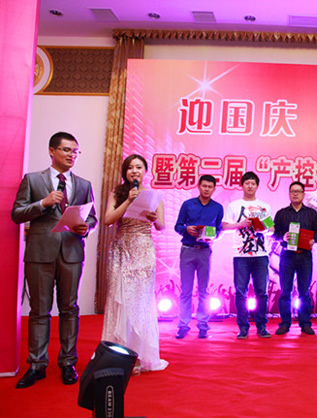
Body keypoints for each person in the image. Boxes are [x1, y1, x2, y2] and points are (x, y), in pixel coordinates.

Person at [11, 132, 97, 388]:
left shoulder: (83, 184)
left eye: (76, 151)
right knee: (39, 311)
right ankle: (36, 365)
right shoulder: (33, 179)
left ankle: (68, 363)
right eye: (67, 150)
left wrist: (86, 227)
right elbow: (17, 214)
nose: (72, 155)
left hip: (72, 252)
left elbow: (92, 217)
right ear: (52, 150)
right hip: (39, 254)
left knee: (70, 309)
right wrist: (43, 203)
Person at [102, 154, 167, 373]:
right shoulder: (118, 193)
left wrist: (154, 219)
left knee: (139, 303)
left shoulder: (154, 196)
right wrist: (129, 201)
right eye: (130, 168)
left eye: (139, 167)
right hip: (122, 251)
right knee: (120, 300)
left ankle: (138, 354)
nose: (134, 171)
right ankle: (119, 353)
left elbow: (162, 226)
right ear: (125, 172)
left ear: (145, 171)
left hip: (144, 253)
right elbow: (108, 220)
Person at [222, 171, 273, 339]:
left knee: (262, 292)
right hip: (241, 255)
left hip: (261, 254)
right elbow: (224, 226)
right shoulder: (234, 206)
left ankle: (262, 326)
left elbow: (272, 229)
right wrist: (241, 224)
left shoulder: (264, 207)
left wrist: (263, 228)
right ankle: (243, 327)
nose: (250, 186)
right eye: (247, 183)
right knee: (240, 292)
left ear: (257, 186)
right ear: (242, 185)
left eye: (253, 183)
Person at [174, 175, 224, 339]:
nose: (207, 189)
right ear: (199, 186)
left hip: (205, 250)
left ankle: (203, 325)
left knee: (204, 290)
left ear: (214, 189)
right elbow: (177, 226)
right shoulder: (188, 204)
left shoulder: (217, 208)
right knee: (186, 290)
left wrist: (213, 236)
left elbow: (219, 230)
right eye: (204, 186)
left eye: (210, 187)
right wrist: (186, 229)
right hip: (187, 250)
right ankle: (183, 325)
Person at [273, 181, 317, 336]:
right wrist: (282, 237)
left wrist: (314, 240)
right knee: (285, 291)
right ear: (289, 194)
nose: (295, 194)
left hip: (305, 256)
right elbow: (275, 234)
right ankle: (285, 323)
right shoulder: (281, 213)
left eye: (298, 191)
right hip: (287, 255)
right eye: (292, 191)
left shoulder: (311, 213)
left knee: (304, 291)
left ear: (303, 194)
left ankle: (305, 323)